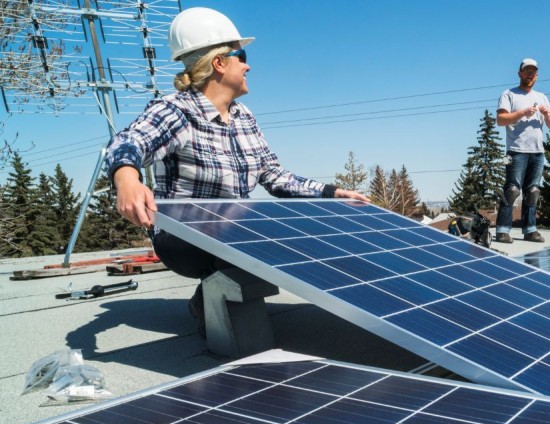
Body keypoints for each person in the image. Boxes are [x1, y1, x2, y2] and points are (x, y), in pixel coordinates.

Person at [106, 7, 368, 334]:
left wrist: (332, 193)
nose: (248, 65)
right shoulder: (176, 111)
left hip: (234, 230)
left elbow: (275, 177)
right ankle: (213, 308)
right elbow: (128, 141)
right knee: (253, 233)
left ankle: (212, 297)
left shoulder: (244, 117)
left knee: (287, 230)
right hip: (182, 238)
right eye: (240, 56)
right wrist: (127, 178)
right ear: (219, 62)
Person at [495, 58, 550, 244]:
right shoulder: (509, 94)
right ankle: (502, 230)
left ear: (537, 76)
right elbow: (501, 120)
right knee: (512, 190)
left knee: (533, 191)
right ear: (520, 73)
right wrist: (523, 113)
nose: (529, 74)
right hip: (515, 151)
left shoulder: (542, 97)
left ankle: (530, 230)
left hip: (538, 152)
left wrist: (547, 114)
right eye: (526, 71)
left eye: (533, 71)